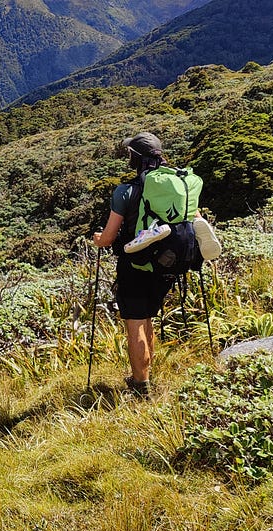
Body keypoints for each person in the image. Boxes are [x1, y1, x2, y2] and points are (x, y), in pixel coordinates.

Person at [91, 132, 176, 398]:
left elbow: (107, 239)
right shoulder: (176, 183)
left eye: (129, 154)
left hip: (135, 265)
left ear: (135, 158)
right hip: (168, 264)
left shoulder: (125, 192)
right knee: (147, 317)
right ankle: (146, 374)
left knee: (136, 323)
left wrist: (97, 239)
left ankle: (141, 388)